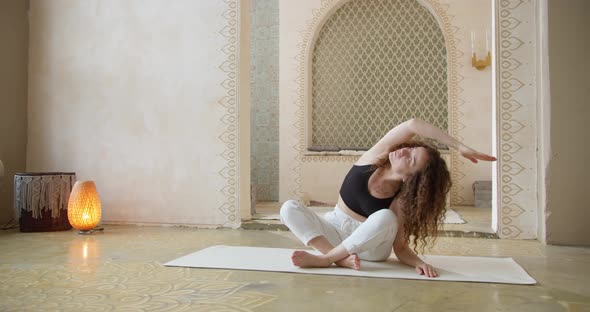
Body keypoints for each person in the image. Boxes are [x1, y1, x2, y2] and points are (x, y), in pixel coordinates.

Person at [280, 118, 496, 277]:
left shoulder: (400, 200)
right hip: (336, 231)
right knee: (289, 208)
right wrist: (460, 147)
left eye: (410, 159)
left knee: (385, 217)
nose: (404, 151)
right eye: (411, 148)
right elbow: (412, 125)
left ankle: (326, 259)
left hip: (369, 248)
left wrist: (418, 262)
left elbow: (400, 248)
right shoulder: (375, 157)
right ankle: (341, 259)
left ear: (409, 179)